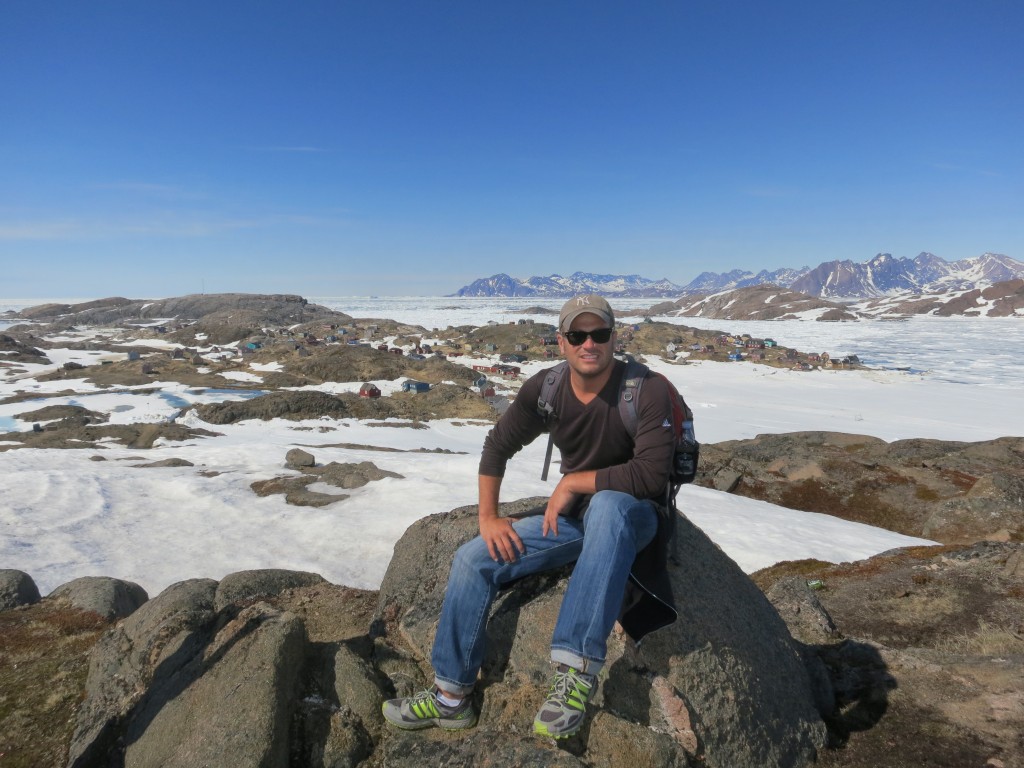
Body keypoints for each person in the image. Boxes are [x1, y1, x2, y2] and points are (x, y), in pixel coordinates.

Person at [382, 294, 679, 739]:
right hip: (578, 521)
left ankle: (574, 675)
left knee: (610, 505)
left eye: (599, 334)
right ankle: (450, 698)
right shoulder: (547, 388)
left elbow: (651, 474)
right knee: (472, 558)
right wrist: (488, 517)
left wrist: (574, 482)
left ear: (614, 338)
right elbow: (497, 446)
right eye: (577, 335)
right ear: (561, 342)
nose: (589, 344)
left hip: (634, 518)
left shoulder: (647, 389)